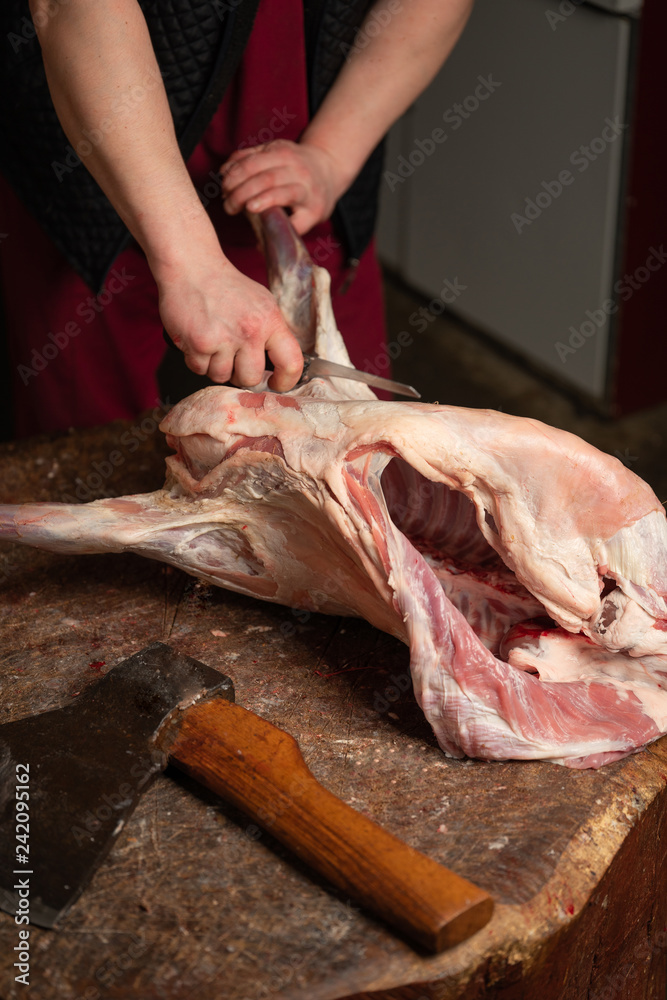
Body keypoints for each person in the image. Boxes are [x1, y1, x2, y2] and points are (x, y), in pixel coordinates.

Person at [0, 0, 473, 436]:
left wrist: (332, 154)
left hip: (301, 163)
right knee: (82, 434)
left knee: (365, 435)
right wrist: (189, 261)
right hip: (101, 148)